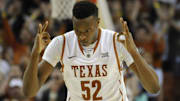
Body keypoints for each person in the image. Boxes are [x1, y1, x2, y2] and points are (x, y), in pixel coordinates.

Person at [23, 1, 160, 101]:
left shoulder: (116, 41)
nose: (82, 36)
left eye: (87, 31)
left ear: (97, 22)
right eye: (78, 31)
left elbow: (154, 88)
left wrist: (134, 53)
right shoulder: (60, 43)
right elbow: (29, 92)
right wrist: (35, 55)